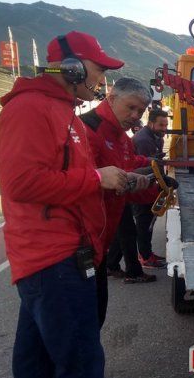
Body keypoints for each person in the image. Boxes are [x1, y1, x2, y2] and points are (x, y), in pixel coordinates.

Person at [0, 31, 131, 377]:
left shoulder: (65, 113)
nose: (103, 78)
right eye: (98, 69)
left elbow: (73, 179)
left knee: (36, 363)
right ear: (71, 68)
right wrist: (98, 179)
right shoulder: (29, 109)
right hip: (54, 261)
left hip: (65, 257)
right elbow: (21, 182)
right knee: (82, 364)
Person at [79, 77, 159, 326]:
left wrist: (156, 181)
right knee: (82, 325)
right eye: (131, 107)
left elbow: (126, 181)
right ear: (112, 99)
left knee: (94, 317)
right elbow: (80, 186)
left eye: (141, 111)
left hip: (99, 246)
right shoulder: (86, 129)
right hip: (82, 245)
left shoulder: (122, 137)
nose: (136, 115)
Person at [132, 108, 169, 268]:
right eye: (161, 125)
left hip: (149, 187)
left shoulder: (156, 137)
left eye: (166, 124)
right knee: (144, 224)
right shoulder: (144, 141)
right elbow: (148, 169)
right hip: (141, 189)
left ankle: (146, 254)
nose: (164, 128)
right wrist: (164, 183)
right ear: (151, 123)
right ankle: (145, 257)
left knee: (147, 223)